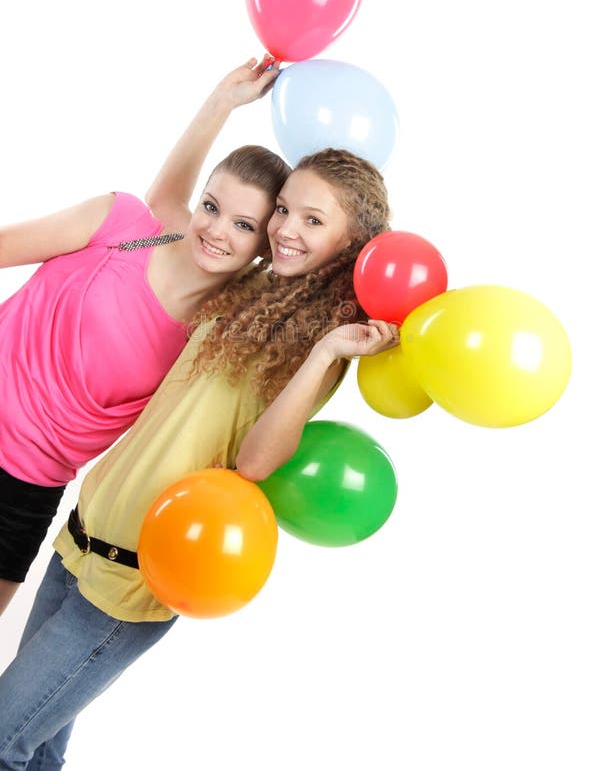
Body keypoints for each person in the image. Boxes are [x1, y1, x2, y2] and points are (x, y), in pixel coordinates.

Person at [0, 147, 397, 770]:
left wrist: (323, 355)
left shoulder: (322, 343)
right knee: (37, 747)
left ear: (354, 240)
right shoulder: (246, 288)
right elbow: (169, 219)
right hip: (82, 536)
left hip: (142, 572)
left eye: (313, 221)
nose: (287, 229)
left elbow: (259, 463)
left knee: (4, 739)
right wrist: (221, 103)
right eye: (284, 210)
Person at [0, 56, 289, 614]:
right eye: (212, 207)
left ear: (265, 247)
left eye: (244, 225)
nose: (216, 231)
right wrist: (221, 103)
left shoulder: (213, 336)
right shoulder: (128, 226)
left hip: (26, 492)